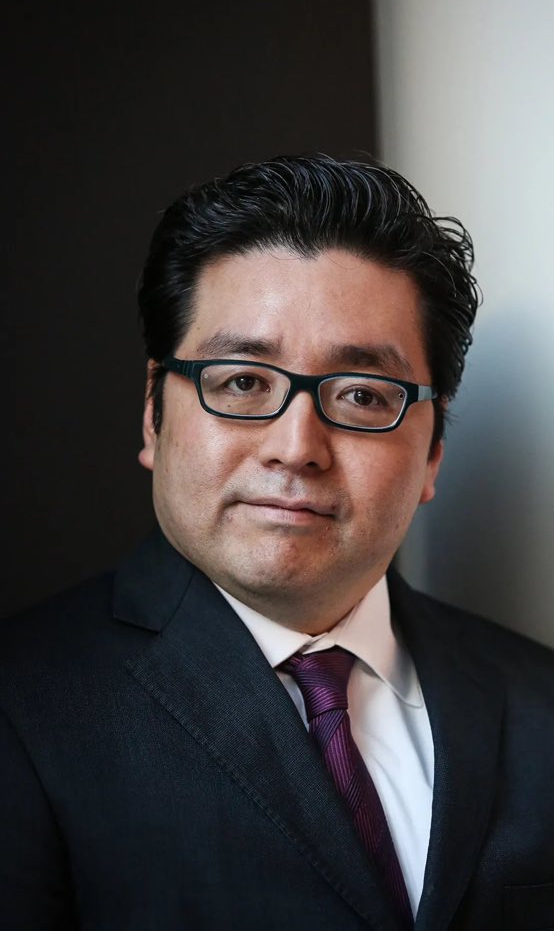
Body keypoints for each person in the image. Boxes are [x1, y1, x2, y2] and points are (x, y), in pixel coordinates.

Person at [1, 155, 553, 931]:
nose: (296, 448)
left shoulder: (538, 702)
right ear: (155, 414)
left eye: (362, 396)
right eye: (242, 382)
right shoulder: (22, 707)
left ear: (433, 454)